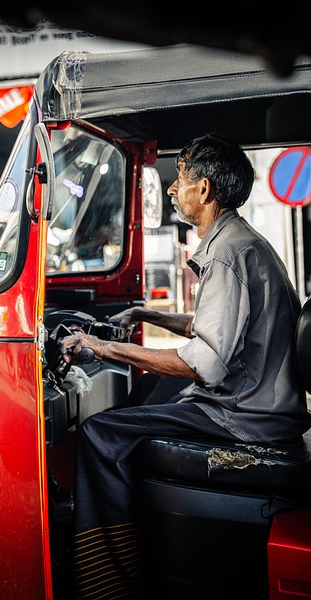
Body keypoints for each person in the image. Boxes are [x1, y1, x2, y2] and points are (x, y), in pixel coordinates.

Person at [60, 133, 311, 600]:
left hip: (245, 418)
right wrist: (145, 315)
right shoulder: (239, 242)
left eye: (180, 178)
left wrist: (102, 347)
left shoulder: (225, 253)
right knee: (152, 390)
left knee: (99, 433)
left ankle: (110, 581)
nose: (173, 189)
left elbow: (206, 364)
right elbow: (217, 328)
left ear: (205, 189)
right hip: (253, 403)